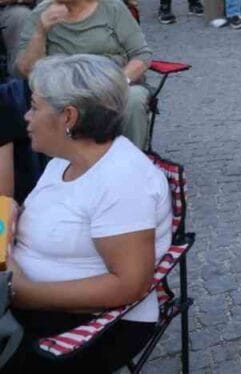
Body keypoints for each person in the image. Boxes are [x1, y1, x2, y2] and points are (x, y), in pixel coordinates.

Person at [5, 54, 172, 373]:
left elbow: (128, 285)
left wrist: (24, 293)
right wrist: (13, 213)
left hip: (92, 324)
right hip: (30, 303)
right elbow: (57, 220)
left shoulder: (122, 181)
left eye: (35, 107)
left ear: (68, 116)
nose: (27, 116)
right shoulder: (63, 161)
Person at [14, 0, 152, 149]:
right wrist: (41, 31)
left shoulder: (112, 8)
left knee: (134, 98)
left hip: (113, 85)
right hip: (65, 91)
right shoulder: (40, 15)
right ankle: (73, 163)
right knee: (54, 107)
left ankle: (130, 160)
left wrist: (116, 84)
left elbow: (141, 54)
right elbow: (26, 71)